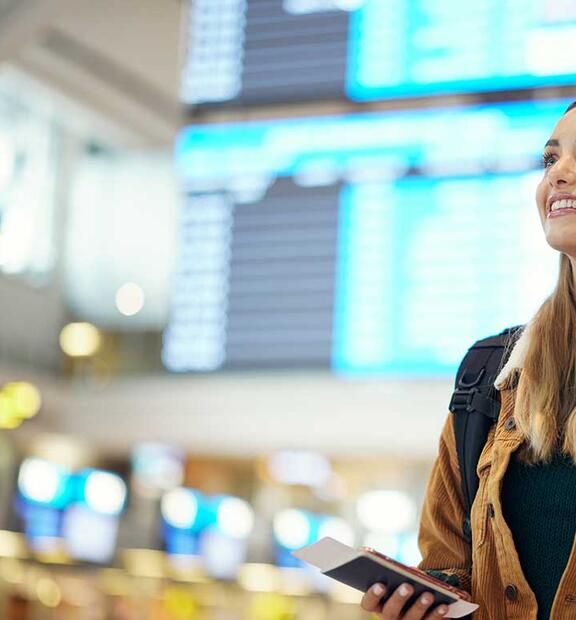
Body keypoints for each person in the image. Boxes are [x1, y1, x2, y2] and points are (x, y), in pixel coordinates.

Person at [361, 100, 576, 620]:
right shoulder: (492, 375)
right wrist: (421, 603)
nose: (560, 175)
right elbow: (447, 565)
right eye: (551, 159)